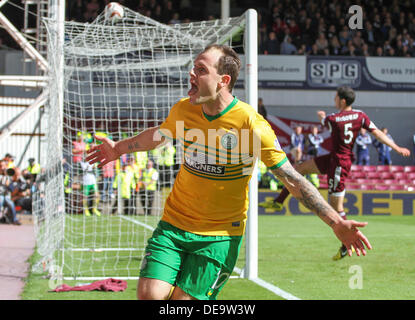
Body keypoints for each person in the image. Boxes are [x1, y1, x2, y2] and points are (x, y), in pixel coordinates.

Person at [87, 46, 372, 300]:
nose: (192, 74)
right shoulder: (183, 110)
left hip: (219, 237)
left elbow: (292, 179)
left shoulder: (251, 126)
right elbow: (158, 135)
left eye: (201, 69)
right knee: (149, 296)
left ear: (224, 81)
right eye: (193, 67)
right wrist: (119, 148)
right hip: (173, 226)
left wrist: (335, 221)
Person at [259, 86, 410, 261]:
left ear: (342, 101)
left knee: (336, 208)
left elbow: (326, 122)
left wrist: (322, 118)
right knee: (299, 168)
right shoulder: (361, 116)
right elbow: (377, 134)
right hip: (334, 158)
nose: (334, 100)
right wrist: (397, 147)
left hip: (339, 163)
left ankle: (347, 242)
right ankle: (279, 201)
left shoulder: (334, 118)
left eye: (336, 97)